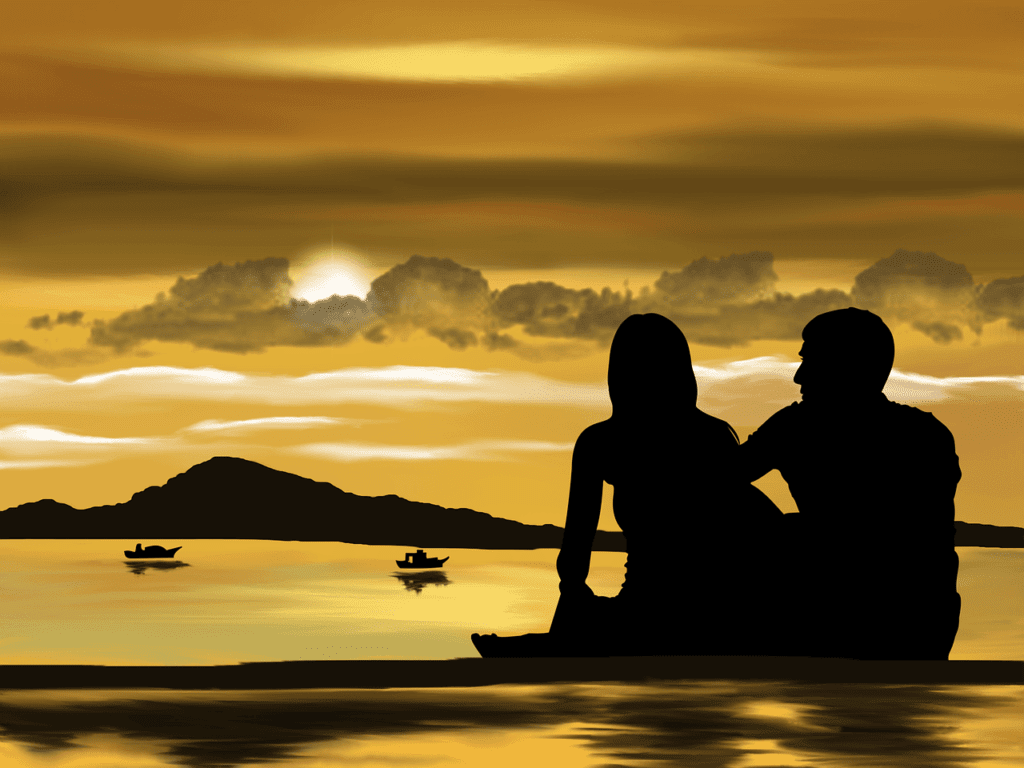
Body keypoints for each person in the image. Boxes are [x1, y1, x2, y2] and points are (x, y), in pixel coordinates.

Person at [472, 313, 782, 657]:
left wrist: (567, 622)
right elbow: (575, 558)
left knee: (601, 621)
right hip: (664, 606)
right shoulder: (706, 437)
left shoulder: (609, 442)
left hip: (696, 611)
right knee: (599, 617)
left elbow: (575, 555)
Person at [738, 307, 961, 660]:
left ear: (845, 367)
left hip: (850, 624)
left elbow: (712, 483)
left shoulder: (797, 429)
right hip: (924, 628)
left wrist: (788, 530)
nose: (799, 377)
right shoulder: (928, 435)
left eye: (810, 361)